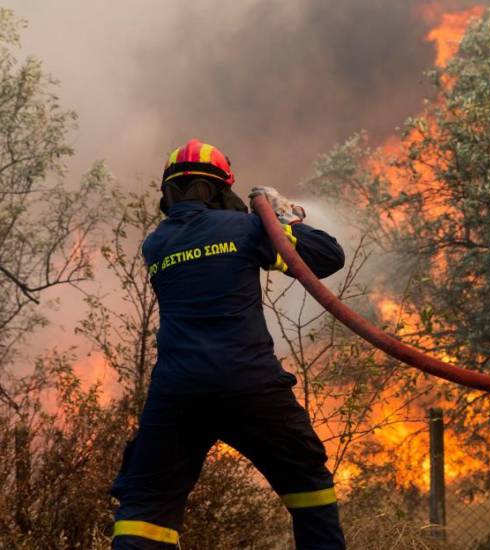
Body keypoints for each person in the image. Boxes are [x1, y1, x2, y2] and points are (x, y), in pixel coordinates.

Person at [111, 139, 347, 549]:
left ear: (168, 194)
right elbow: (328, 257)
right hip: (249, 384)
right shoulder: (246, 229)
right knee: (307, 480)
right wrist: (282, 217)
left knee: (145, 509)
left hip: (177, 393)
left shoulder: (156, 245)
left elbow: (205, 244)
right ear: (223, 190)